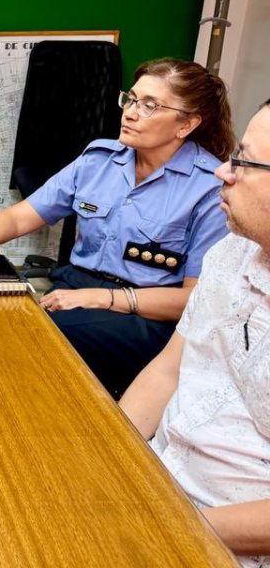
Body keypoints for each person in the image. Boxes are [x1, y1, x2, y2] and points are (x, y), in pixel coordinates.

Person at [0, 59, 235, 398]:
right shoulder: (98, 160)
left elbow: (195, 299)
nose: (130, 113)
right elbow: (22, 216)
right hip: (74, 288)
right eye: (131, 99)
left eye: (149, 106)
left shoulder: (210, 188)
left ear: (186, 124)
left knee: (30, 336)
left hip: (146, 316)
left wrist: (104, 298)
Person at [120, 100, 270, 567]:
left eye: (244, 161)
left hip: (221, 539)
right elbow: (169, 370)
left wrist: (163, 527)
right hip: (156, 483)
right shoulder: (231, 250)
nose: (223, 171)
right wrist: (111, 457)